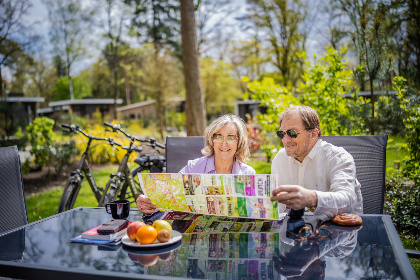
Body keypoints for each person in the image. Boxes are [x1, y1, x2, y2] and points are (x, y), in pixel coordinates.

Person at [136, 114, 256, 214]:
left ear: (239, 142)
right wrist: (146, 202)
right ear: (211, 140)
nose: (224, 143)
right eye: (218, 137)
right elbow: (168, 197)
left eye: (230, 137)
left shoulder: (248, 173)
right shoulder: (193, 167)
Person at [270, 106, 363, 221]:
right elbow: (276, 209)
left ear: (313, 134)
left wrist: (312, 198)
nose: (285, 140)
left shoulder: (338, 157)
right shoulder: (280, 159)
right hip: (293, 233)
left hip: (340, 232)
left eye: (292, 133)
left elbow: (347, 201)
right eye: (281, 134)